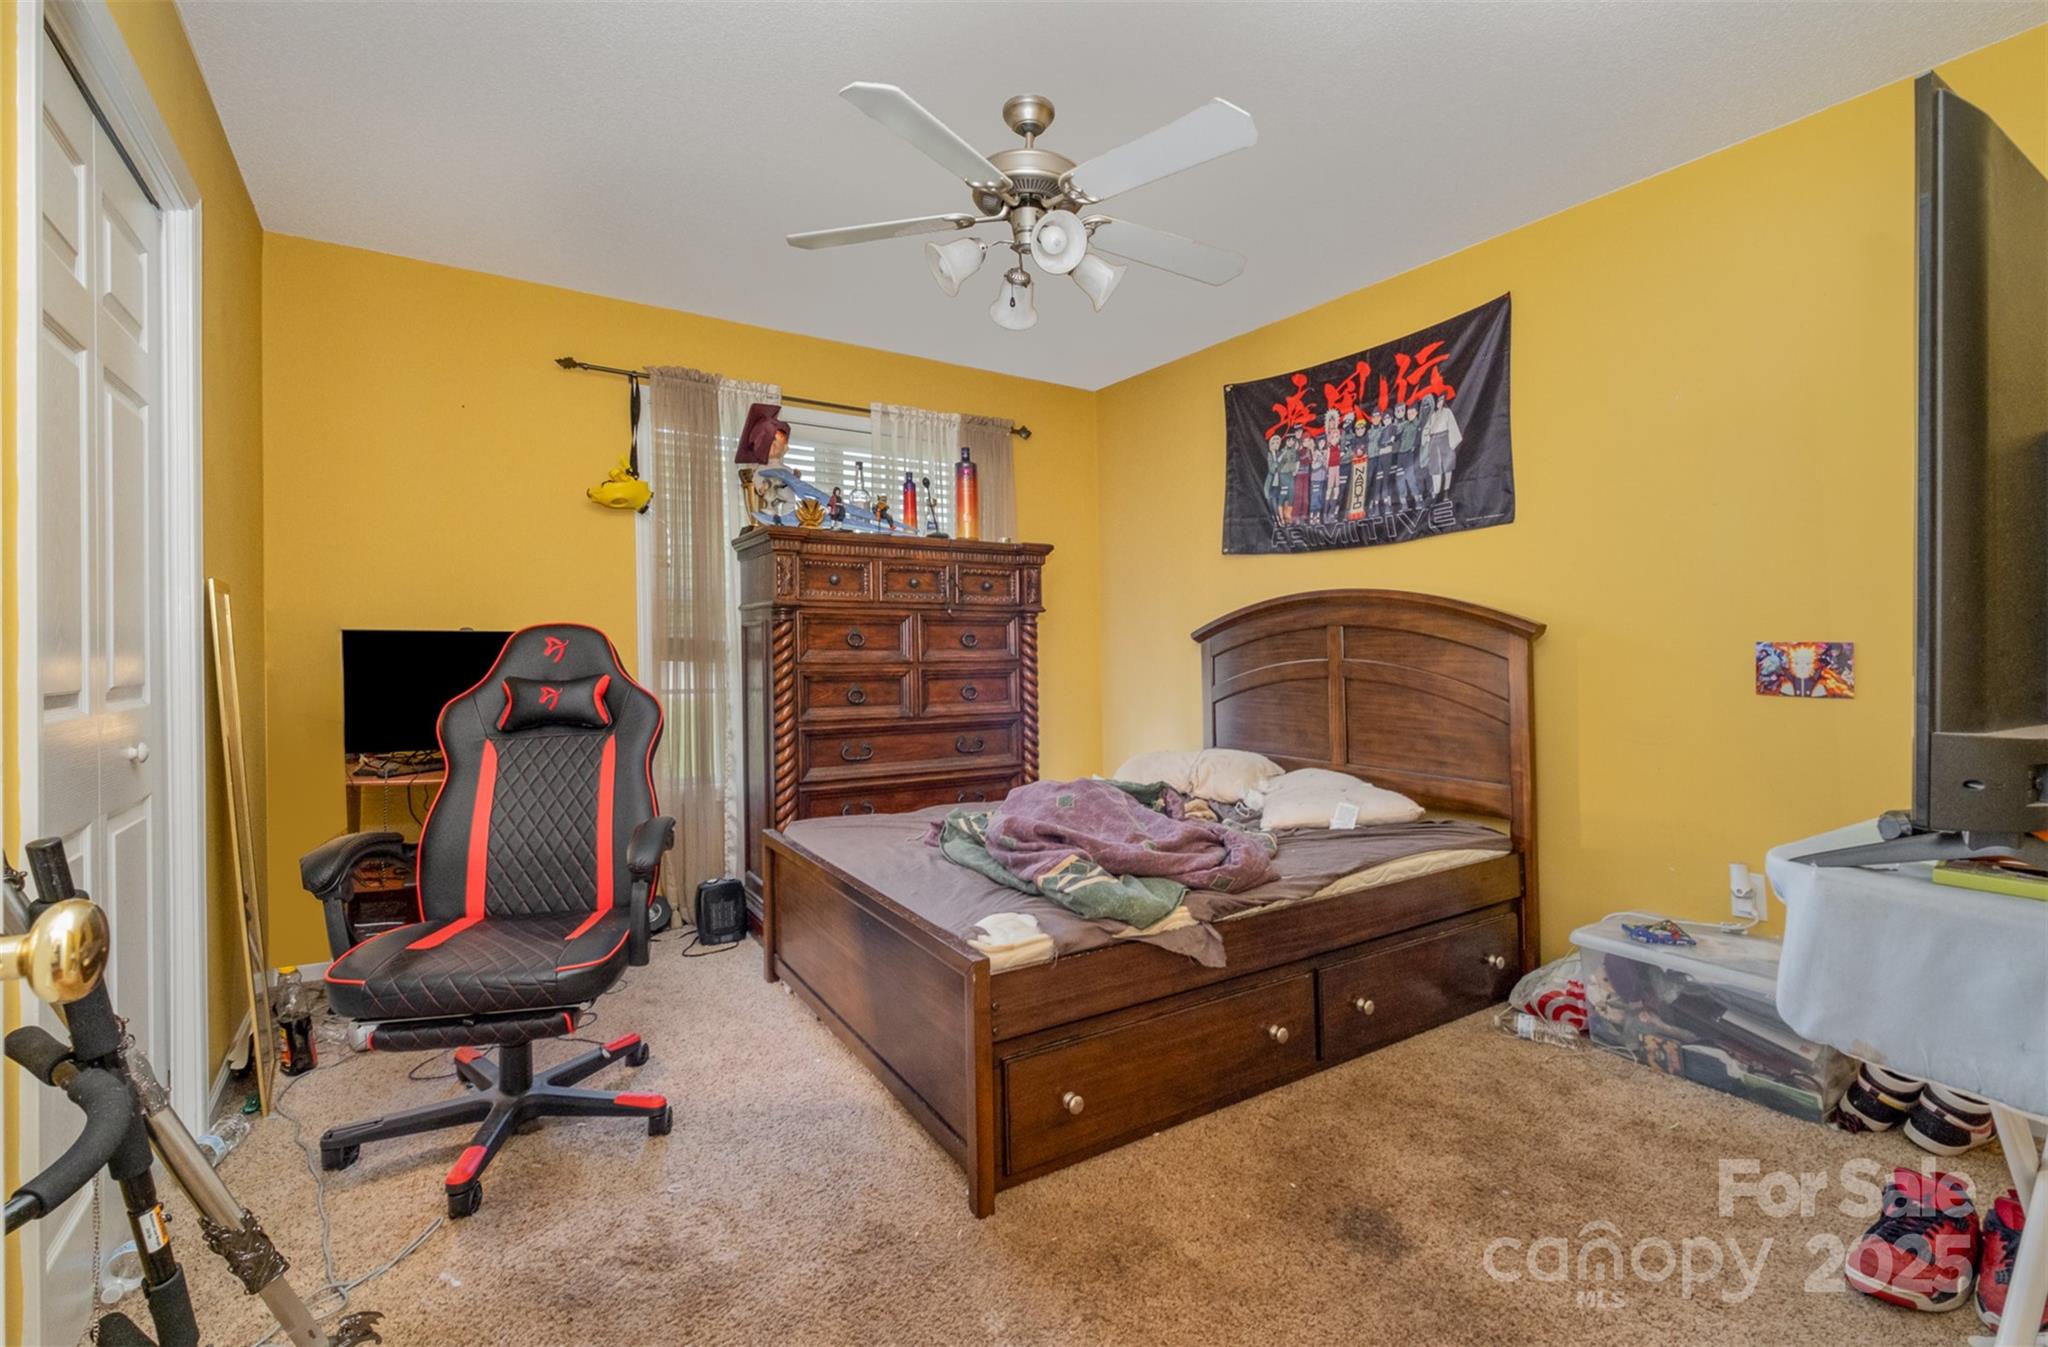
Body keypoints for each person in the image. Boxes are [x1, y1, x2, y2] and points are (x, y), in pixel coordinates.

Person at [1421, 392, 1465, 499]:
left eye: (1441, 400)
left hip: (1445, 439)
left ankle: (1446, 490)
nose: (1439, 403)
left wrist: (1452, 444)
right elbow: (1426, 429)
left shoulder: (1447, 412)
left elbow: (1452, 426)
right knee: (1435, 468)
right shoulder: (1432, 415)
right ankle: (1436, 492)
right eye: (1437, 401)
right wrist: (1427, 438)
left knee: (1447, 466)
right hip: (1434, 442)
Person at [1393, 401, 1424, 514]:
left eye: (1412, 412)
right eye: (1408, 413)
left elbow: (1420, 437)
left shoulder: (1418, 424)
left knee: (1410, 477)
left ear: (1416, 413)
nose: (1410, 415)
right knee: (1399, 478)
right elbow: (1397, 436)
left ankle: (1418, 500)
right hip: (1401, 453)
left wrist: (1414, 447)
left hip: (1410, 453)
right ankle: (1403, 503)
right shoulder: (1404, 424)